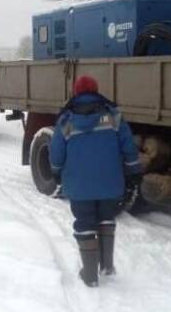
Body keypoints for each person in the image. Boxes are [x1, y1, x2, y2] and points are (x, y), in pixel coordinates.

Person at [49, 75, 143, 287]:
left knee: (84, 223)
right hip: (110, 183)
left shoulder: (66, 120)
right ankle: (107, 266)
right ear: (95, 90)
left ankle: (90, 275)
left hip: (79, 185)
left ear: (76, 92)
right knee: (106, 218)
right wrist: (134, 170)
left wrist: (55, 171)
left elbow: (57, 151)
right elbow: (128, 146)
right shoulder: (113, 115)